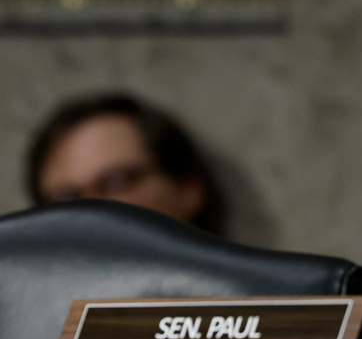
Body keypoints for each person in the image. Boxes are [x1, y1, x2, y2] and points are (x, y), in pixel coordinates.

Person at [27, 93, 226, 235]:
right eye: (66, 198)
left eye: (116, 181)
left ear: (188, 188)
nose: (91, 211)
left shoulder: (250, 289)